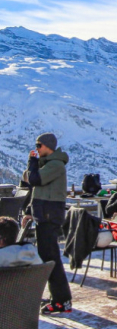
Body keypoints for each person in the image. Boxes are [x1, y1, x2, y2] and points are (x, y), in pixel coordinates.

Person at [21, 132, 72, 314]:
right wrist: (29, 212)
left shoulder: (56, 165)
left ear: (48, 146)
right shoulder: (49, 164)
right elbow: (33, 185)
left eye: (39, 146)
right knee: (48, 257)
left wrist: (32, 162)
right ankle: (58, 297)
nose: (36, 149)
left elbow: (35, 180)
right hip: (44, 216)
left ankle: (62, 299)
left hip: (49, 217)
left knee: (51, 258)